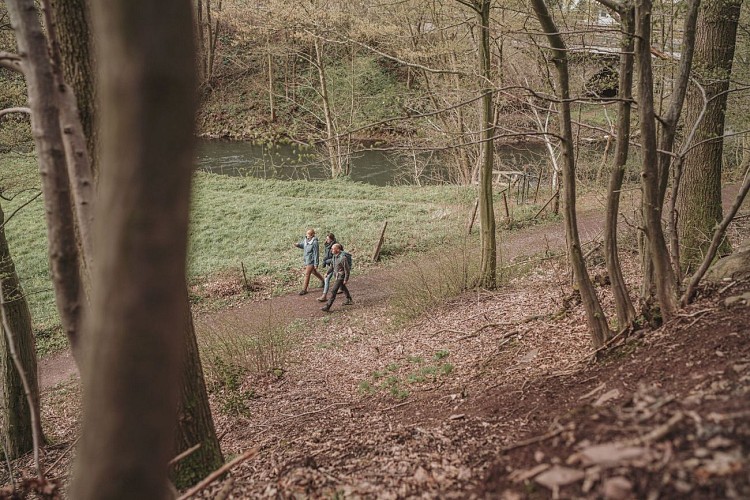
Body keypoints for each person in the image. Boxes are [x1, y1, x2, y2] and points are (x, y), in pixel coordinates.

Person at [321, 243, 353, 312]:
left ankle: (327, 306)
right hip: (336, 275)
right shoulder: (334, 256)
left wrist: (346, 279)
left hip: (341, 276)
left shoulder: (343, 258)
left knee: (333, 291)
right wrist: (327, 273)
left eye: (333, 249)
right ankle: (349, 299)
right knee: (342, 287)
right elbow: (332, 266)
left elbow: (347, 270)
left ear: (338, 250)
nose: (331, 250)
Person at [294, 228, 324, 295]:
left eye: (309, 234)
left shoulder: (315, 242)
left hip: (311, 261)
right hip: (306, 260)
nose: (307, 235)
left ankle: (304, 289)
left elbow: (316, 253)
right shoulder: (306, 240)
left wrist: (316, 263)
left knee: (307, 274)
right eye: (307, 234)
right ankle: (323, 281)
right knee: (314, 272)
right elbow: (304, 246)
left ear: (313, 235)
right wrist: (298, 245)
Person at [318, 232, 339, 302]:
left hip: (334, 265)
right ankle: (343, 291)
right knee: (337, 279)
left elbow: (335, 257)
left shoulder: (335, 246)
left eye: (328, 239)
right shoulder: (327, 245)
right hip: (329, 265)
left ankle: (324, 296)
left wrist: (326, 261)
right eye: (326, 238)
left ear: (331, 239)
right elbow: (326, 254)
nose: (326, 240)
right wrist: (324, 260)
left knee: (327, 279)